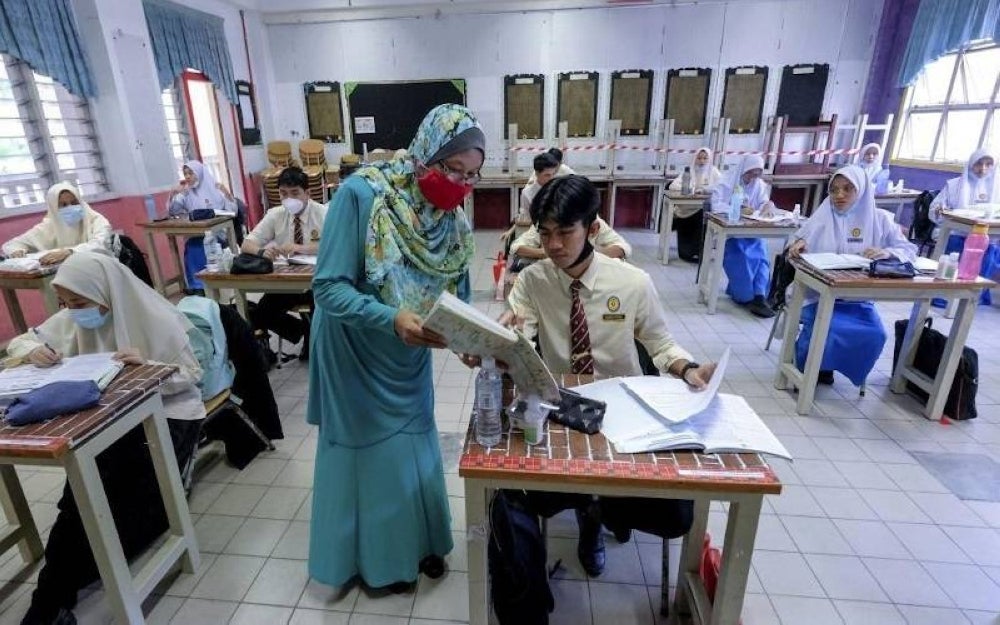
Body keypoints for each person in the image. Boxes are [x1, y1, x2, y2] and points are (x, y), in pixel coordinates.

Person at [307, 103, 484, 592]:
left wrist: (468, 339)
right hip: (356, 348)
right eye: (453, 170)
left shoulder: (451, 220)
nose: (460, 186)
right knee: (372, 457)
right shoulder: (362, 196)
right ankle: (371, 562)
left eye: (472, 176)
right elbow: (328, 289)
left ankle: (421, 543)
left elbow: (456, 296)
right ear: (426, 153)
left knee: (416, 441)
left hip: (406, 351)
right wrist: (391, 318)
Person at [500, 175, 713, 576]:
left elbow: (661, 344)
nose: (554, 245)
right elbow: (521, 341)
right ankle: (590, 509)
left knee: (677, 515)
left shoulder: (632, 282)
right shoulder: (532, 280)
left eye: (566, 232)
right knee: (521, 491)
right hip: (565, 409)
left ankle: (600, 508)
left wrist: (687, 368)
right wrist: (505, 342)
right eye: (545, 234)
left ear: (593, 230)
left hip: (624, 408)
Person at [5, 251, 205, 625]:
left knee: (128, 512)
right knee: (80, 500)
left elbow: (190, 376)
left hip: (166, 417)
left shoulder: (156, 317)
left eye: (79, 303)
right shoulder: (71, 319)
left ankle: (51, 595)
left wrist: (148, 368)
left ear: (106, 291)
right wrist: (34, 351)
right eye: (65, 303)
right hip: (103, 423)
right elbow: (19, 343)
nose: (71, 311)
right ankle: (51, 599)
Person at [787, 165, 917, 387]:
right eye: (834, 190)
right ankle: (809, 366)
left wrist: (888, 252)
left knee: (876, 334)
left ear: (862, 191)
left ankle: (832, 364)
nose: (839, 195)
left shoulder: (880, 220)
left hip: (857, 299)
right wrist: (796, 245)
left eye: (848, 189)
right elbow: (794, 247)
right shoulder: (821, 218)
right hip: (817, 296)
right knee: (828, 329)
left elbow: (909, 251)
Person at [242, 166, 328, 357]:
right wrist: (262, 251)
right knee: (261, 312)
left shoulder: (323, 214)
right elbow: (247, 244)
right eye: (283, 193)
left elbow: (338, 245)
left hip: (317, 283)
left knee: (321, 310)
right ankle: (300, 330)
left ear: (308, 193)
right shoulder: (275, 214)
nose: (289, 199)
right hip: (287, 283)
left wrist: (300, 248)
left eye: (295, 193)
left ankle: (313, 341)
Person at [928, 148, 1000, 304]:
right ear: (971, 164)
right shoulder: (954, 185)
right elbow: (935, 209)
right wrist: (941, 210)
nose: (983, 169)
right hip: (955, 231)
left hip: (986, 234)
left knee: (990, 249)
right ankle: (942, 295)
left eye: (988, 164)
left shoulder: (997, 187)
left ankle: (973, 296)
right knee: (955, 247)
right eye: (979, 164)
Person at [710, 155, 776, 318]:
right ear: (743, 171)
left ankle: (760, 295)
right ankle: (745, 296)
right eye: (750, 174)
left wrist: (767, 206)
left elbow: (763, 203)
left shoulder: (759, 185)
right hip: (731, 235)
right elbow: (716, 205)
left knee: (762, 256)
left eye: (756, 175)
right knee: (742, 256)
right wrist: (737, 208)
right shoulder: (726, 182)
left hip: (752, 231)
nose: (752, 178)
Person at [168, 160, 242, 293]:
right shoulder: (187, 193)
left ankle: (206, 285)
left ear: (200, 173)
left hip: (216, 234)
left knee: (203, 245)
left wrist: (227, 195)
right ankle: (197, 286)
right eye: (185, 174)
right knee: (192, 247)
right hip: (196, 234)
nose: (188, 177)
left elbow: (233, 211)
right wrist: (175, 193)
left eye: (191, 173)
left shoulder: (215, 188)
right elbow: (173, 211)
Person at [2, 182, 112, 264]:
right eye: (63, 205)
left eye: (74, 203)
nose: (71, 208)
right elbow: (11, 245)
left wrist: (70, 252)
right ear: (54, 209)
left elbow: (100, 244)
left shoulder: (96, 220)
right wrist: (16, 251)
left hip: (98, 270)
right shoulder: (49, 226)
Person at [500, 149, 575, 250]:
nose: (552, 178)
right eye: (547, 175)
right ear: (536, 174)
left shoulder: (560, 189)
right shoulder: (528, 193)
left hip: (562, 233)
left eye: (553, 174)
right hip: (538, 232)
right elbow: (524, 218)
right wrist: (511, 231)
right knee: (516, 249)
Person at [667, 147, 722, 262]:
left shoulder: (714, 172)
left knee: (703, 216)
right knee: (685, 252)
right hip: (686, 209)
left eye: (705, 158)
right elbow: (672, 186)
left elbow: (721, 187)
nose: (702, 161)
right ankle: (687, 253)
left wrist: (705, 189)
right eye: (699, 158)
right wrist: (691, 189)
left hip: (703, 209)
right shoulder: (689, 171)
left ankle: (699, 251)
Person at [510, 216, 631, 262]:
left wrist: (588, 253)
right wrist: (543, 253)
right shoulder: (545, 221)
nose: (555, 244)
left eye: (566, 233)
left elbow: (623, 248)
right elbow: (516, 247)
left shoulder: (591, 221)